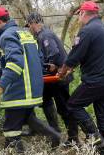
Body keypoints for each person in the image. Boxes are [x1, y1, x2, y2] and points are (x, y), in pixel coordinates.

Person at [0, 6, 61, 155]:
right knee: (28, 119)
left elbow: (15, 64)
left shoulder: (7, 35)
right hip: (34, 86)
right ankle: (54, 135)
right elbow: (38, 58)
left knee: (11, 128)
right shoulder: (23, 32)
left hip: (20, 89)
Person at [58, 1, 104, 155]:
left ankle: (96, 138)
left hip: (97, 80)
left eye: (79, 14)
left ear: (83, 13)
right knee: (102, 113)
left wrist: (63, 71)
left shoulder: (87, 31)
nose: (78, 17)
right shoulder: (103, 28)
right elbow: (92, 53)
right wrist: (74, 66)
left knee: (73, 105)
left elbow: (74, 55)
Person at [26, 12, 79, 146]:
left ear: (34, 23)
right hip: (52, 79)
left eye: (29, 25)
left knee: (64, 107)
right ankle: (55, 132)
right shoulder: (41, 35)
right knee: (45, 100)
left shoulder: (45, 35)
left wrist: (50, 64)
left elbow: (54, 54)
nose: (29, 29)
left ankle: (73, 138)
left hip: (59, 78)